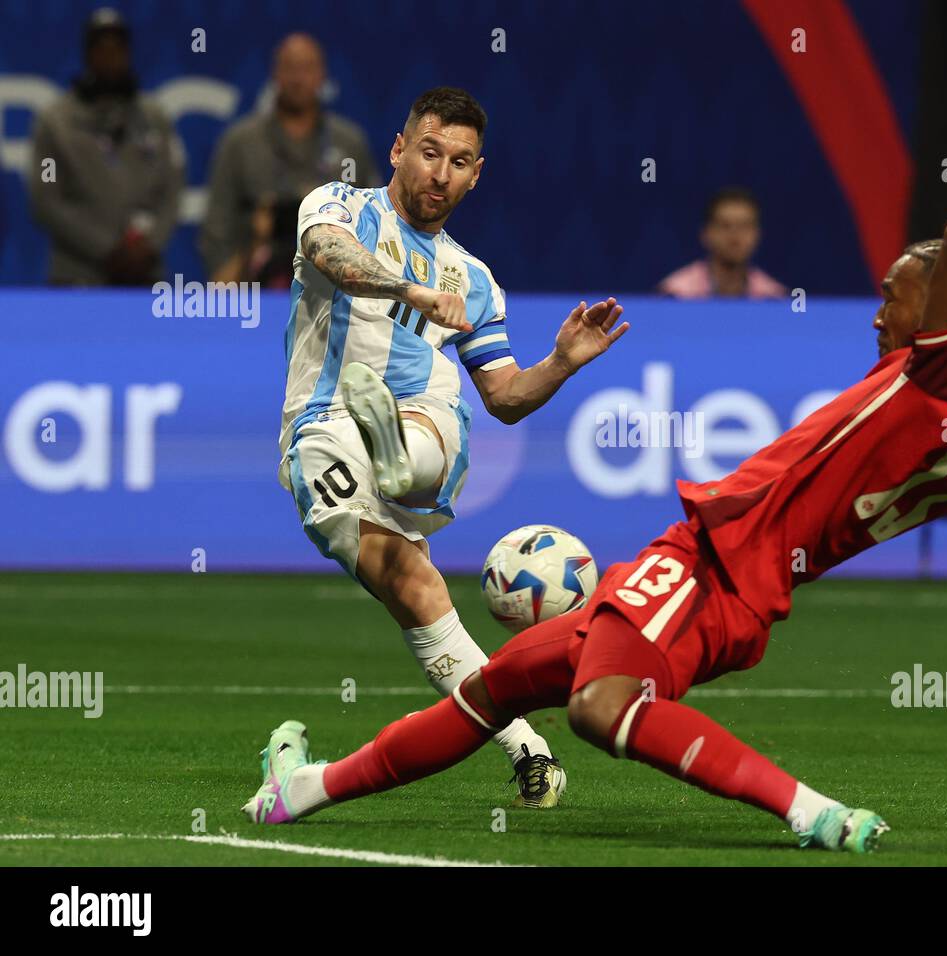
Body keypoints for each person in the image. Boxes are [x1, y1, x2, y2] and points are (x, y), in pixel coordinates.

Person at [244, 56, 947, 853]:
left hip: (710, 556)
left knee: (599, 708)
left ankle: (811, 812)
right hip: (746, 594)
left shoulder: (942, 364)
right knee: (495, 687)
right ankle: (303, 791)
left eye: (899, 294)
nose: (881, 309)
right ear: (402, 150)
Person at [260, 86, 629, 809]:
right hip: (323, 422)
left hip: (426, 420)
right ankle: (532, 751)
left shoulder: (475, 280)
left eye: (459, 162)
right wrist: (411, 292)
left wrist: (562, 362)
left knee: (437, 414)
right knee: (415, 589)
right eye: (429, 153)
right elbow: (325, 253)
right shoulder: (339, 206)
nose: (440, 173)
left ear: (476, 174)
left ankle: (404, 456)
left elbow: (506, 397)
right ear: (399, 150)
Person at [200, 33, 378, 286]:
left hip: (335, 287)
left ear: (322, 75)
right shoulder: (240, 142)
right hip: (252, 285)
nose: (298, 79)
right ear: (275, 74)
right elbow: (216, 225)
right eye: (290, 68)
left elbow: (373, 221)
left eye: (307, 68)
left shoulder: (350, 143)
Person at [27, 7, 184, 285]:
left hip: (144, 273)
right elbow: (47, 201)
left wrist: (146, 247)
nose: (110, 56)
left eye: (118, 48)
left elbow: (171, 192)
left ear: (129, 53)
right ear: (87, 54)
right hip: (76, 275)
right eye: (101, 48)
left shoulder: (154, 118)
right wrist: (107, 250)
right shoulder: (55, 122)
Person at [658, 187, 787, 299]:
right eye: (725, 226)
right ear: (706, 233)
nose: (735, 236)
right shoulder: (675, 294)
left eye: (744, 226)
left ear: (757, 234)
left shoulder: (773, 298)